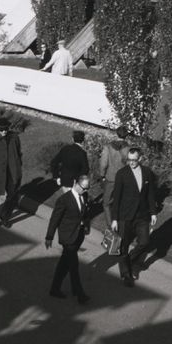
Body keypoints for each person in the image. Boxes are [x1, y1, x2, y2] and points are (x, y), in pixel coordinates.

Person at [109, 145, 155, 286]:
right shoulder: (122, 174)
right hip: (125, 215)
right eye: (129, 160)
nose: (131, 163)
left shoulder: (147, 173)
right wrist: (115, 219)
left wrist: (153, 212)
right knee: (123, 245)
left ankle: (128, 260)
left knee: (144, 242)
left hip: (142, 215)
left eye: (134, 160)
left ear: (140, 158)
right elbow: (116, 198)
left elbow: (150, 195)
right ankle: (126, 274)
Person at [45, 172, 92, 304]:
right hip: (67, 237)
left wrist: (86, 226)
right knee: (74, 265)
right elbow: (55, 219)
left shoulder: (85, 196)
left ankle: (55, 288)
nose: (86, 190)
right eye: (83, 188)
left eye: (87, 188)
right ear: (76, 184)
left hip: (78, 236)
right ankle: (79, 293)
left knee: (64, 263)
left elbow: (85, 213)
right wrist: (49, 236)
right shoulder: (64, 200)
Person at [96, 128, 129, 216]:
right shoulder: (128, 149)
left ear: (116, 134)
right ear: (126, 136)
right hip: (123, 178)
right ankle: (118, 221)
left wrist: (102, 175)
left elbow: (103, 163)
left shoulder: (108, 146)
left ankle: (111, 226)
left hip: (110, 177)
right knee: (119, 201)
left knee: (106, 203)